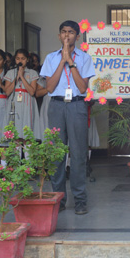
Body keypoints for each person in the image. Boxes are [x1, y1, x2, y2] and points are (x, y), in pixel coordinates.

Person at [40, 20, 96, 215]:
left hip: (77, 105)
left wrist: (71, 62)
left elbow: (82, 87)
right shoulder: (50, 58)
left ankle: (80, 200)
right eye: (63, 32)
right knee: (57, 154)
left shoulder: (85, 58)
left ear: (77, 36)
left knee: (78, 153)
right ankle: (59, 199)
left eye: (71, 32)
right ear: (58, 36)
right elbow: (49, 87)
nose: (66, 36)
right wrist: (62, 60)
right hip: (56, 105)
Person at [3, 48, 42, 139]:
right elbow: (7, 92)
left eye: (23, 58)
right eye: (18, 58)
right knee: (14, 129)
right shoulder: (10, 73)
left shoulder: (32, 73)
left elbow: (32, 92)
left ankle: (28, 152)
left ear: (27, 60)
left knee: (28, 130)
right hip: (15, 103)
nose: (20, 61)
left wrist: (22, 77)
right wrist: (17, 76)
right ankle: (16, 152)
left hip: (27, 103)